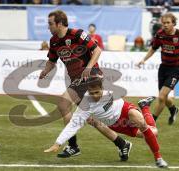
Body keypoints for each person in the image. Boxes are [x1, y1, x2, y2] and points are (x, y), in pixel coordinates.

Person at [39, 10, 125, 158]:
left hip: (91, 77)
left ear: (59, 24)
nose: (48, 27)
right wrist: (45, 71)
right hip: (77, 81)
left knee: (64, 104)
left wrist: (89, 67)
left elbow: (97, 50)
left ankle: (73, 146)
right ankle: (122, 144)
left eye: (50, 23)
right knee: (91, 119)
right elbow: (52, 61)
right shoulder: (54, 41)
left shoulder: (78, 34)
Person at [44, 77, 168, 168]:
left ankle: (158, 158)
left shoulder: (108, 86)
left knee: (140, 122)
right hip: (117, 125)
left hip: (126, 110)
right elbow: (73, 125)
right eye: (91, 93)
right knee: (154, 132)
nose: (94, 95)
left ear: (102, 88)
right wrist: (58, 143)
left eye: (97, 92)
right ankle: (144, 106)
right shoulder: (86, 105)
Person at [136, 13, 179, 125]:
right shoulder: (160, 34)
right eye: (164, 23)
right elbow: (153, 48)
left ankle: (151, 122)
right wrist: (144, 59)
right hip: (163, 68)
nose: (166, 25)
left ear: (173, 23)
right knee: (163, 97)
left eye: (168, 23)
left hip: (176, 69)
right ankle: (173, 109)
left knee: (162, 96)